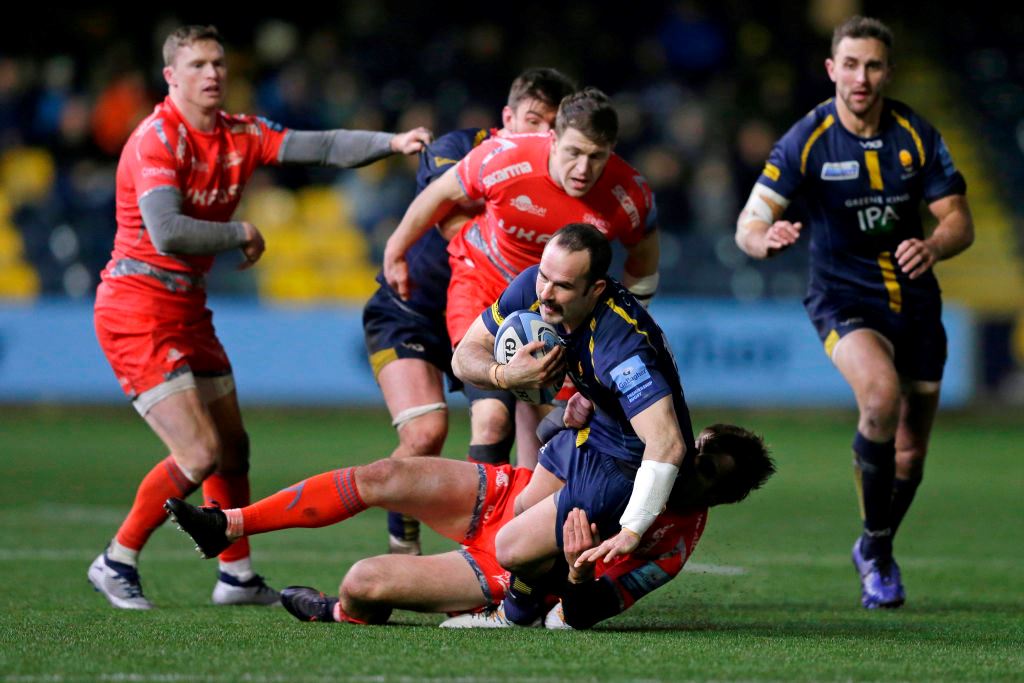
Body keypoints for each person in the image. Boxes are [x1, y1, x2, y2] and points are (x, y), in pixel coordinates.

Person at [88, 24, 432, 610]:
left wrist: (391, 142)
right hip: (137, 306)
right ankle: (116, 559)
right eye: (197, 65)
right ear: (171, 76)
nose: (213, 73)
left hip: (188, 306)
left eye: (219, 63)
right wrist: (241, 231)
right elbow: (167, 232)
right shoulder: (156, 140)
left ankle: (237, 577)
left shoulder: (240, 133)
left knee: (233, 447)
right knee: (198, 454)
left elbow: (319, 147)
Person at [734, 16, 974, 609]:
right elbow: (749, 223)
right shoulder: (806, 140)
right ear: (831, 69)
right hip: (842, 297)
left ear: (887, 71)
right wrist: (763, 240)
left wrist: (935, 244)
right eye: (850, 64)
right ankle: (875, 544)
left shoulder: (916, 135)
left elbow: (959, 220)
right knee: (880, 396)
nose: (860, 77)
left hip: (916, 302)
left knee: (912, 451)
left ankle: (877, 548)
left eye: (872, 65)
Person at [163, 421, 774, 628]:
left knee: (363, 580)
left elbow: (589, 613)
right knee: (384, 474)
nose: (686, 461)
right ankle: (230, 526)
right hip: (505, 496)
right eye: (695, 448)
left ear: (723, 497)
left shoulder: (671, 547)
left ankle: (341, 613)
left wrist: (581, 576)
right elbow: (565, 440)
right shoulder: (650, 442)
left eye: (705, 469)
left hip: (504, 570)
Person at [382, 88, 662, 480]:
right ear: (554, 138)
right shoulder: (506, 156)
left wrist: (626, 324)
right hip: (481, 282)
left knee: (559, 430)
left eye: (596, 156)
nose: (583, 168)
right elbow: (441, 192)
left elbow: (644, 259)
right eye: (573, 152)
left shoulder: (629, 194)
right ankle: (480, 534)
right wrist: (395, 250)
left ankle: (524, 524)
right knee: (493, 419)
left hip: (559, 307)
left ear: (611, 150)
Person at [363, 68, 575, 555]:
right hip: (411, 310)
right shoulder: (459, 149)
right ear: (507, 117)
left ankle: (493, 545)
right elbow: (457, 228)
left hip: (488, 315)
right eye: (532, 119)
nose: (541, 133)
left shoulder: (558, 175)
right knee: (425, 432)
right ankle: (404, 539)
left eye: (551, 126)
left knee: (512, 430)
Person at [447, 223, 699, 626]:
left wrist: (633, 529)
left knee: (511, 547)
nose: (544, 293)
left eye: (562, 285)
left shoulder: (621, 345)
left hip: (626, 464)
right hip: (598, 427)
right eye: (544, 275)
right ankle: (536, 605)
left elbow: (667, 443)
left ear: (595, 289)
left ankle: (514, 614)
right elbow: (463, 356)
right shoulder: (535, 286)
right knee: (525, 506)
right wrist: (504, 376)